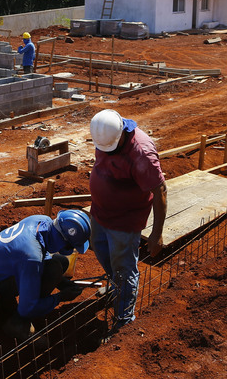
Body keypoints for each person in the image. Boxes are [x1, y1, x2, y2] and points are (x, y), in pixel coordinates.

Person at [88, 108, 167, 334]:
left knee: (124, 269)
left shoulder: (141, 152)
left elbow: (160, 190)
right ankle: (118, 288)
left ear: (122, 132)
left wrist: (156, 233)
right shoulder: (105, 134)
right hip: (100, 212)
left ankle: (124, 320)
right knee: (101, 250)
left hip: (125, 220)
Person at [0, 210, 91, 340]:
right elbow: (27, 308)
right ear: (63, 240)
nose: (69, 250)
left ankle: (19, 309)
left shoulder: (41, 220)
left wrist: (62, 282)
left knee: (60, 262)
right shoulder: (31, 257)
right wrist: (60, 297)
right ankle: (17, 323)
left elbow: (42, 256)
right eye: (69, 247)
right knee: (53, 269)